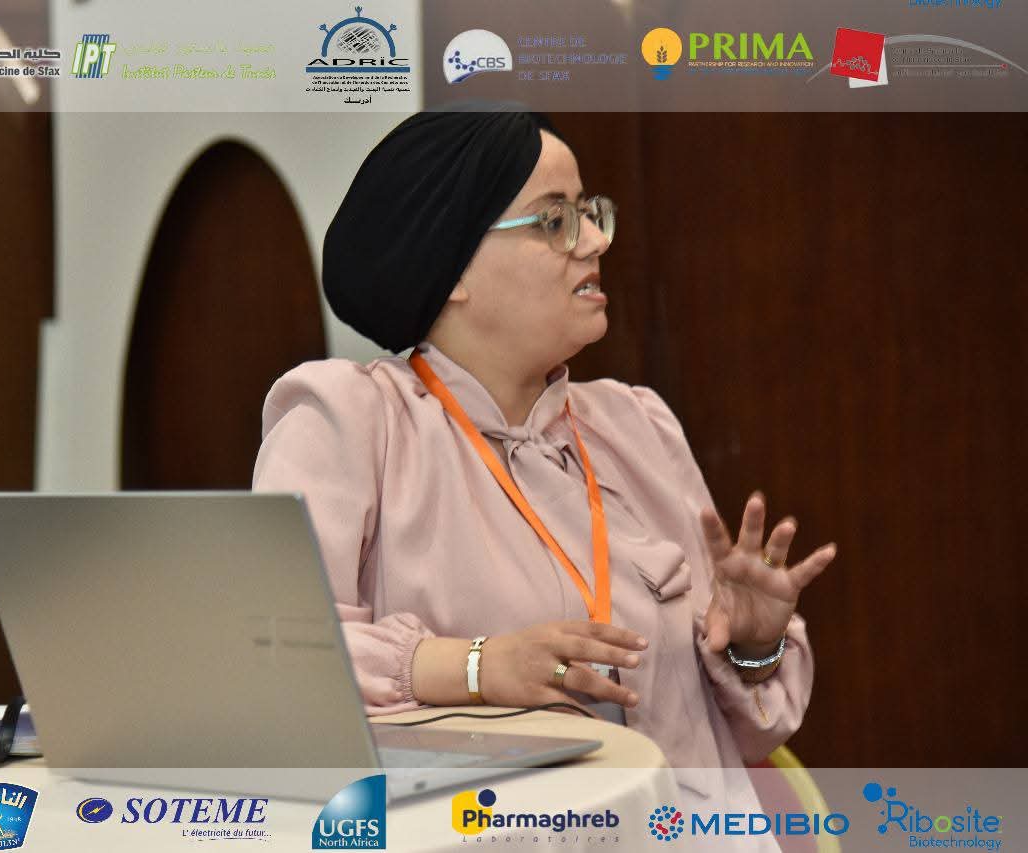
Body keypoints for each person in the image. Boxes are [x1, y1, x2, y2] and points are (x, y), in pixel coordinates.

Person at [253, 108, 835, 798]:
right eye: (555, 220)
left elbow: (752, 734)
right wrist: (475, 667)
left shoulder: (638, 425)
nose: (595, 240)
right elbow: (269, 658)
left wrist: (753, 647)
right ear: (455, 265)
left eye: (589, 213)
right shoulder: (349, 423)